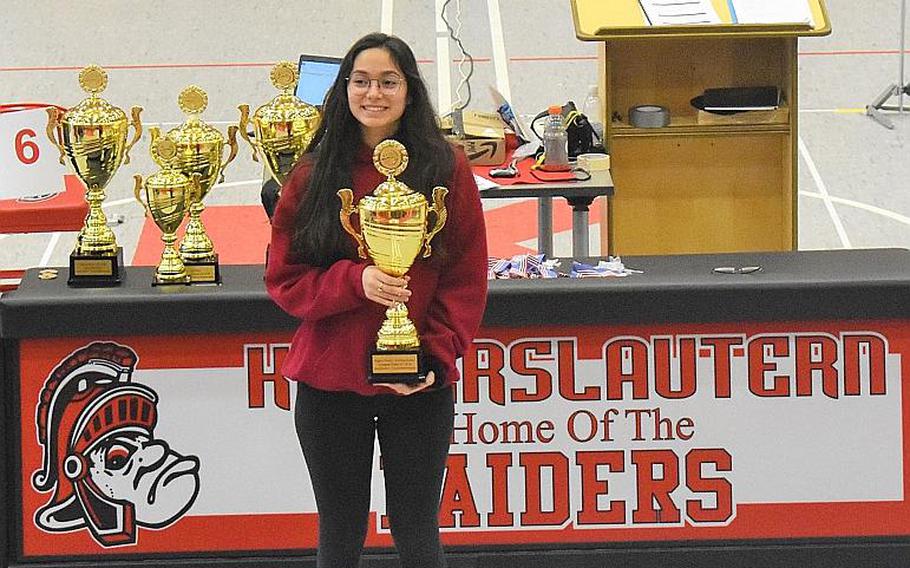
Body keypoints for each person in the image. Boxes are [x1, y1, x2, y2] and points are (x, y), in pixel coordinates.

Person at [265, 32, 488, 568]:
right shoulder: (311, 175)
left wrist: (433, 354)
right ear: (344, 90)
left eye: (388, 82)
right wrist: (353, 281)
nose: (374, 93)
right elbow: (285, 279)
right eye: (361, 81)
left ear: (410, 90)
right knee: (339, 530)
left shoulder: (446, 167)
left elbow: (466, 275)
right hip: (329, 382)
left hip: (419, 381)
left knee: (416, 527)